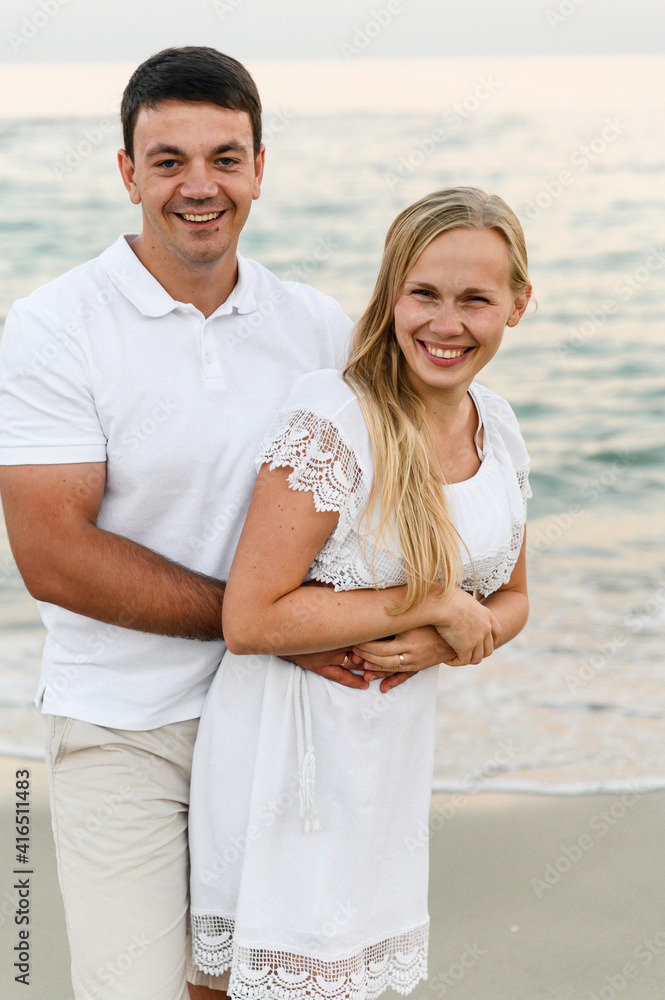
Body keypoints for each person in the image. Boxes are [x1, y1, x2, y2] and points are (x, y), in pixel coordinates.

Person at [0, 49, 475, 1000]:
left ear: (261, 166)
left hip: (290, 726)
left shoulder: (317, 327)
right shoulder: (53, 327)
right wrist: (261, 622)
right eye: (168, 160)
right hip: (127, 724)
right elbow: (56, 556)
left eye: (225, 156)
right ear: (127, 173)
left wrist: (450, 614)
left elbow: (404, 490)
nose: (199, 185)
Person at [187, 186, 532, 1000]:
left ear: (517, 304)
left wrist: (450, 630)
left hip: (386, 768)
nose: (445, 324)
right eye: (423, 294)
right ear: (390, 294)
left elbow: (511, 601)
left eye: (475, 299)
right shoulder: (334, 418)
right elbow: (250, 616)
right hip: (282, 756)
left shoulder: (500, 426)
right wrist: (430, 604)